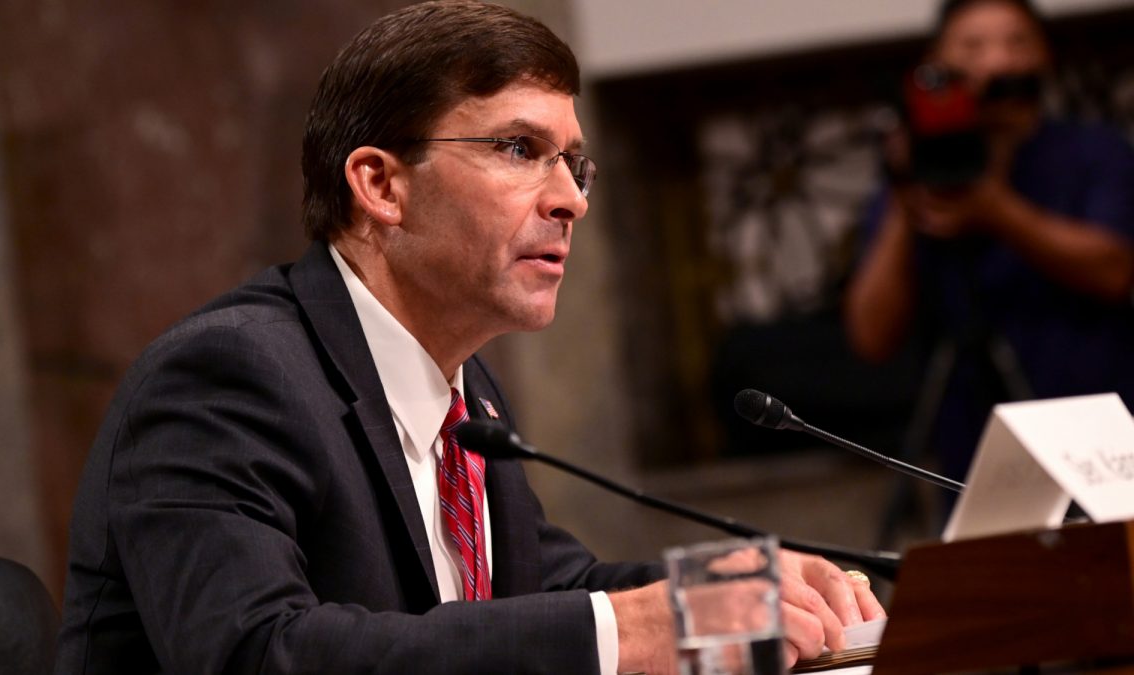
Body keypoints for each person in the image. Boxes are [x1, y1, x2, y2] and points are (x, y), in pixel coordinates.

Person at [56, 3, 883, 673]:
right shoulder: (227, 377)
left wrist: (737, 593)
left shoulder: (464, 390)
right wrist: (629, 631)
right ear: (380, 183)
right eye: (521, 149)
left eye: (575, 164)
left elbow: (547, 589)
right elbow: (255, 651)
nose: (571, 201)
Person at [845, 0, 1134, 482]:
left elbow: (1114, 271)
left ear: (1044, 56)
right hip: (975, 449)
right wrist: (907, 186)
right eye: (973, 46)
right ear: (936, 64)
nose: (997, 61)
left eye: (1016, 42)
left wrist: (996, 210)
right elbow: (871, 336)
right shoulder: (922, 174)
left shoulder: (1094, 152)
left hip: (1100, 428)